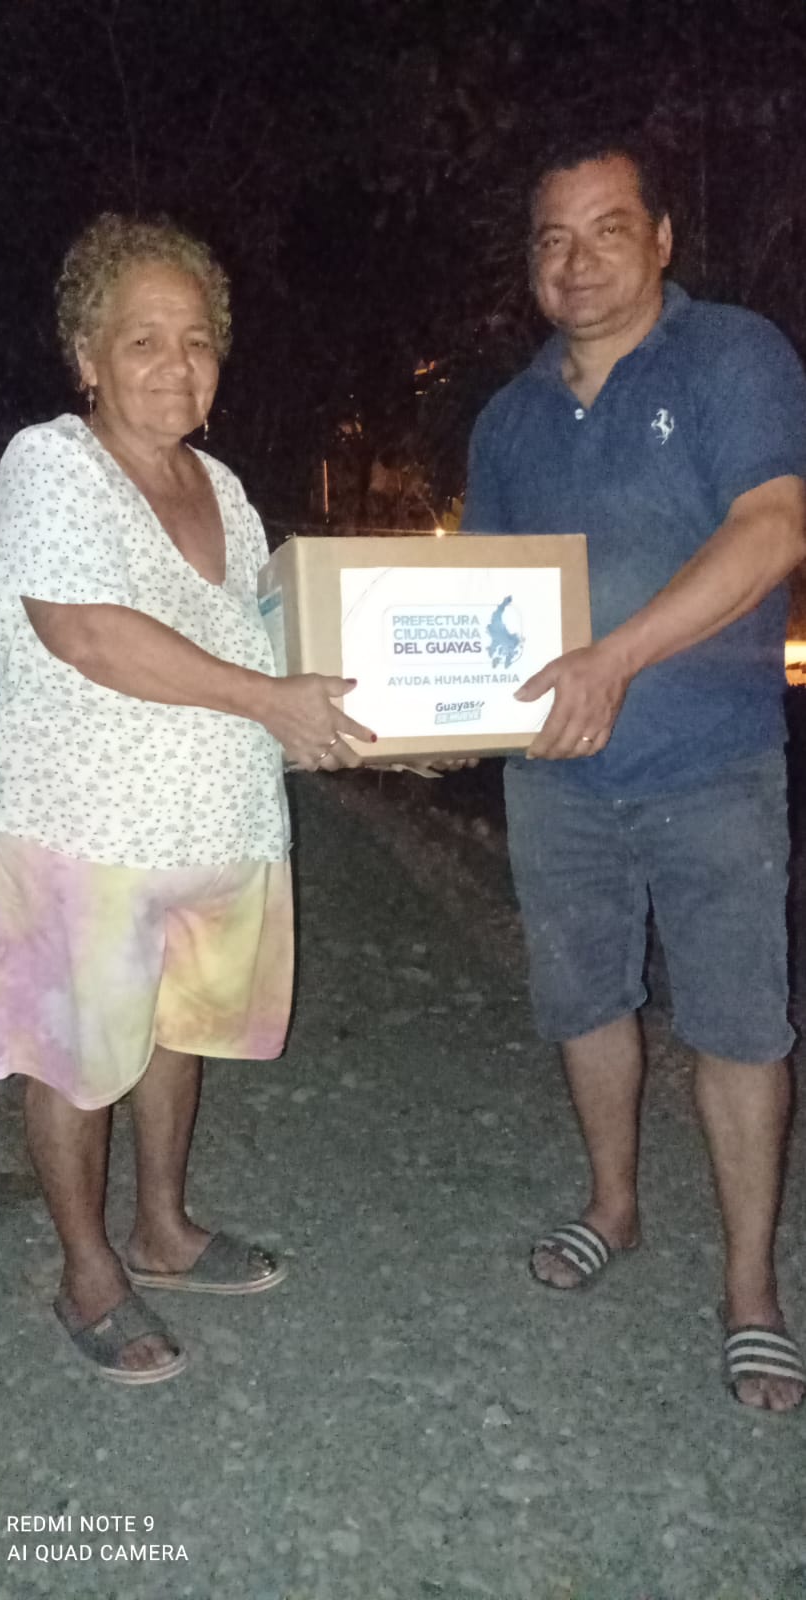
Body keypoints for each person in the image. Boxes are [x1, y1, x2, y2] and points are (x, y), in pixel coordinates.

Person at [0, 213, 374, 1385]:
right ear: (86, 356)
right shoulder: (51, 465)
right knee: (75, 1053)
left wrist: (361, 722)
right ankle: (87, 1266)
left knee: (176, 1029)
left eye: (197, 340)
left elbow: (267, 639)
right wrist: (270, 698)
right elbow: (86, 633)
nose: (176, 362)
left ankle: (163, 1227)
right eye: (142, 339)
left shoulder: (226, 490)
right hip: (82, 829)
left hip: (217, 825)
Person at [461, 136, 806, 1411]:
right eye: (552, 238)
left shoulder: (734, 357)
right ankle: (614, 1205)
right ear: (531, 264)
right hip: (555, 777)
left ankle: (751, 1287)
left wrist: (615, 659)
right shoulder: (507, 417)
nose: (578, 259)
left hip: (714, 761)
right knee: (585, 1002)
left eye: (609, 228)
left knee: (738, 1024)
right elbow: (475, 599)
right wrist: (417, 714)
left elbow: (774, 526)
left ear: (661, 239)